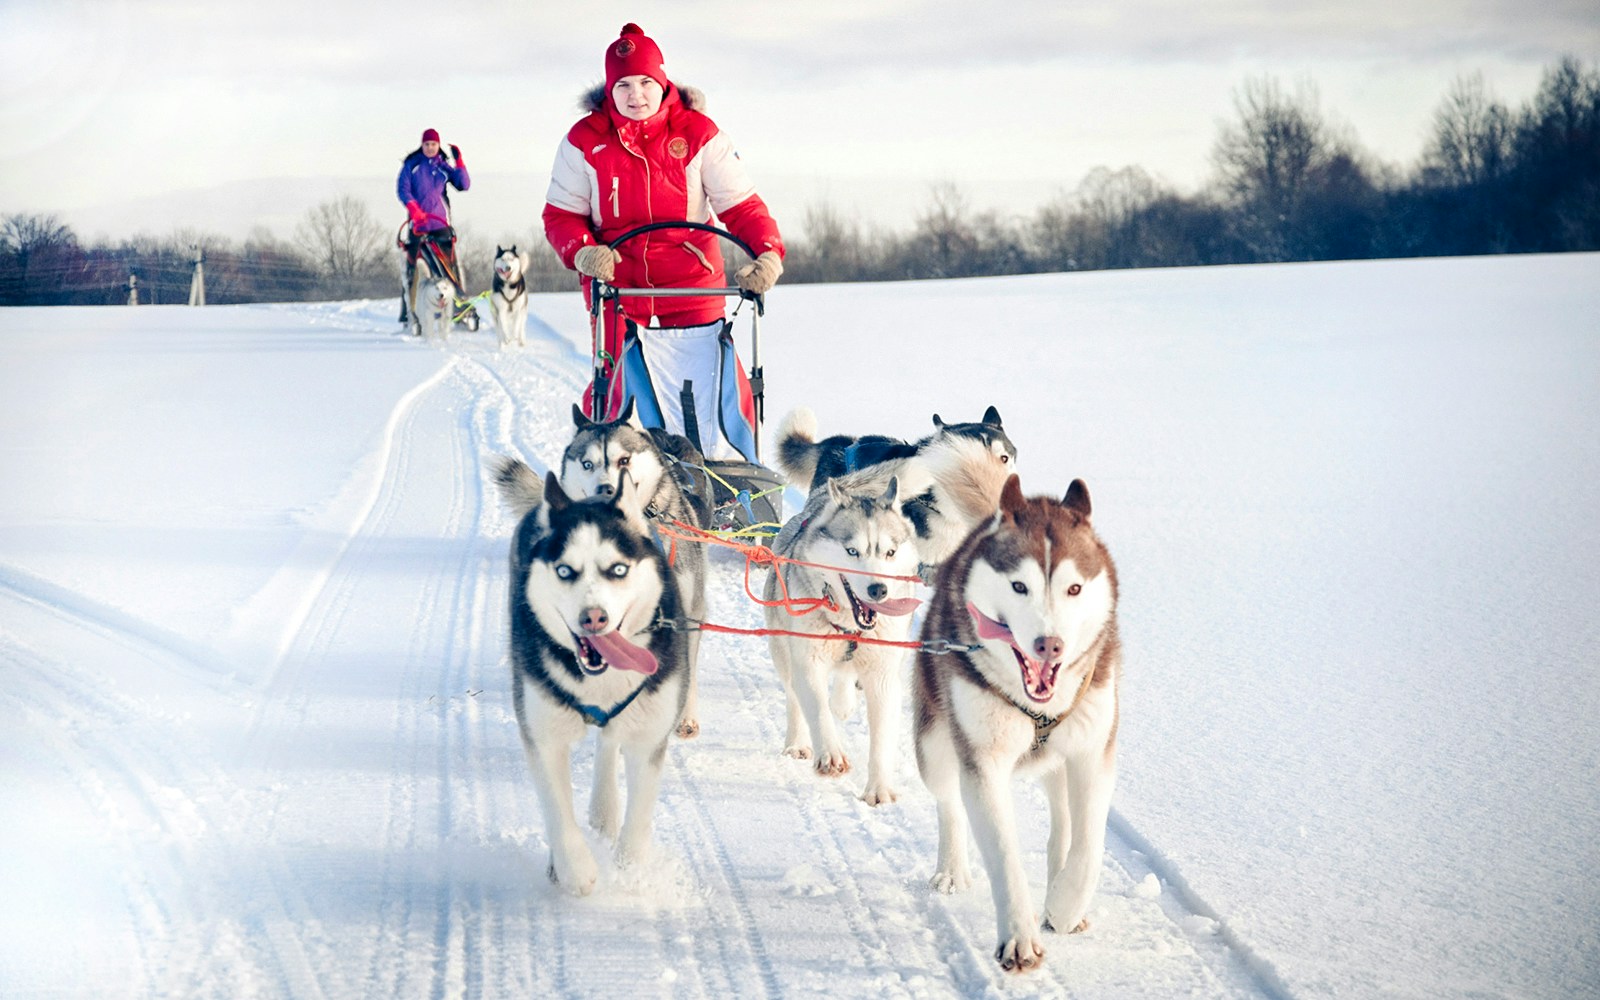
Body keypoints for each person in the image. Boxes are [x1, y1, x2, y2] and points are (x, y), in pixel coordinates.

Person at [542, 23, 785, 462]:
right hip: (618, 288)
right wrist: (582, 249)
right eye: (624, 85)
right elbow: (561, 214)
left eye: (646, 82)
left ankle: (720, 472)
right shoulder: (585, 141)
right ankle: (608, 477)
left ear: (663, 81)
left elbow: (742, 206)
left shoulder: (698, 134)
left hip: (692, 286)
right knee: (615, 388)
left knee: (707, 390)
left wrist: (766, 253)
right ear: (609, 90)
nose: (636, 95)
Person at [396, 128, 470, 323]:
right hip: (418, 225)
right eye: (427, 144)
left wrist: (459, 161)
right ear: (422, 145)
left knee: (448, 267)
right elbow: (403, 190)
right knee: (414, 269)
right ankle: (409, 313)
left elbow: (463, 184)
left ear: (438, 146)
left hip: (440, 223)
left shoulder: (442, 166)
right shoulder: (412, 165)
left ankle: (458, 309)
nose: (430, 148)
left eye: (433, 145)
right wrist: (414, 209)